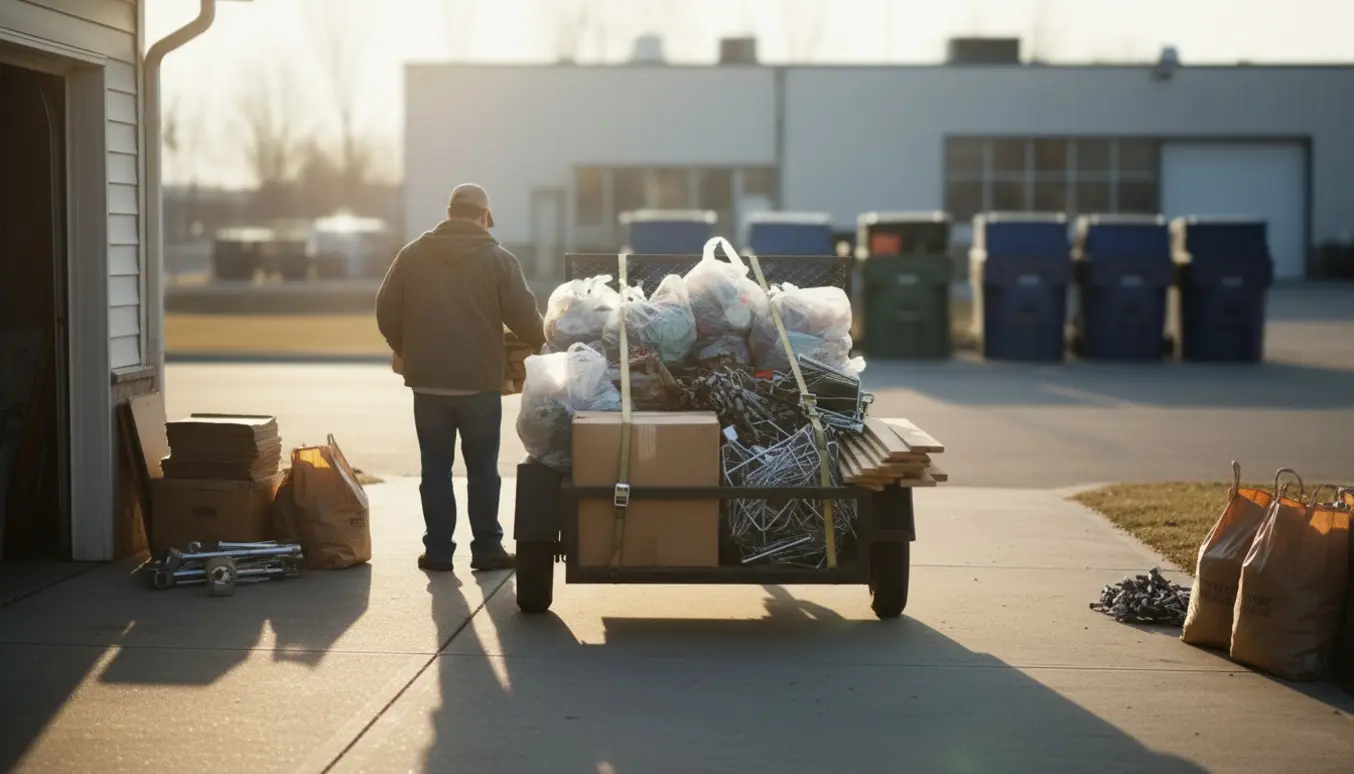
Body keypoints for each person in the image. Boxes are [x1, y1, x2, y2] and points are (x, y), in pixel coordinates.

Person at [376, 183, 546, 572]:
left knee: (434, 468)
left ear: (450, 211)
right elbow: (524, 318)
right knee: (483, 470)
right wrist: (550, 344)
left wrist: (408, 346)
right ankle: (486, 550)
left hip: (428, 383)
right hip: (479, 385)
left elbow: (386, 311)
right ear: (484, 217)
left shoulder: (412, 256)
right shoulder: (499, 259)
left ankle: (437, 552)